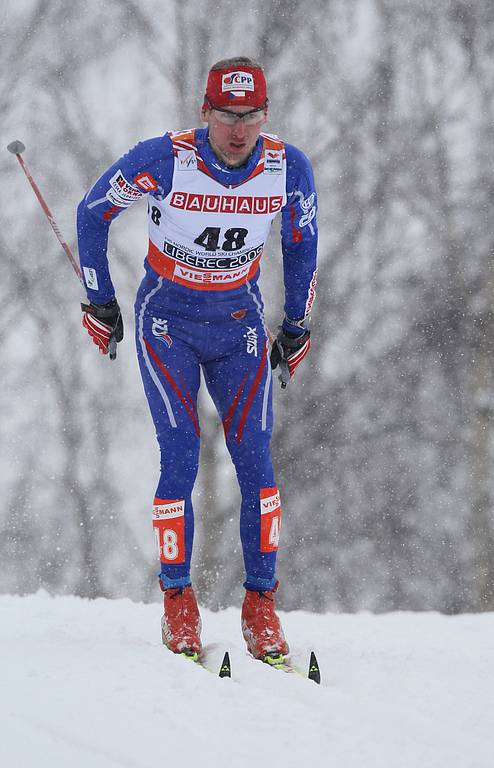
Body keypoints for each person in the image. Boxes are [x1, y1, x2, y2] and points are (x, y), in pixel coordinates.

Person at [77, 56, 318, 664]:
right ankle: (178, 602)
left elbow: (301, 244)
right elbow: (92, 211)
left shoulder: (287, 168)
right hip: (168, 326)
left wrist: (296, 323)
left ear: (265, 115)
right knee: (181, 454)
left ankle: (262, 609)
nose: (239, 130)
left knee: (257, 461)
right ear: (203, 111)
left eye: (251, 116)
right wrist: (100, 301)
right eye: (227, 115)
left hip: (237, 326)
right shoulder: (167, 159)